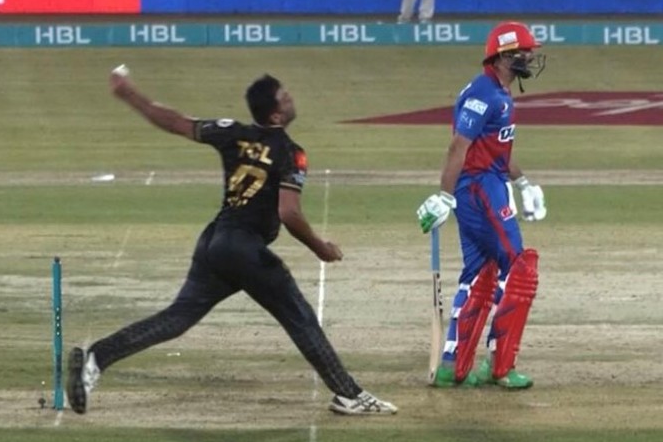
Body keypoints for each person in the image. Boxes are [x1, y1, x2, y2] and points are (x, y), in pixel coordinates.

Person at [65, 68, 398, 416]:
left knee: (176, 319)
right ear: (276, 115)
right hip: (245, 250)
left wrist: (129, 94)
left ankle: (96, 358)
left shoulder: (233, 133)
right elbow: (289, 213)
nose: (291, 99)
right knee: (300, 318)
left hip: (215, 240)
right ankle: (349, 395)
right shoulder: (291, 153)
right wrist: (320, 247)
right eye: (285, 97)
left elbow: (176, 122)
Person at [416, 22, 547, 389]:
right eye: (524, 52)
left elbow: (495, 149)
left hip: (485, 183)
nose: (530, 58)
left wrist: (522, 182)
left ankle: (452, 366)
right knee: (519, 269)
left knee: (479, 273)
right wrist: (445, 194)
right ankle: (501, 366)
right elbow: (458, 147)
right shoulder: (484, 94)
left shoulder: (498, 91)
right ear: (503, 56)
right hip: (478, 188)